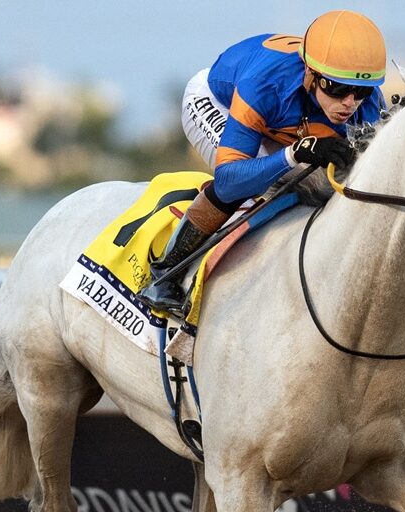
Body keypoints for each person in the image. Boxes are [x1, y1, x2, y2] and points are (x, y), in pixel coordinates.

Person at [139, 9, 388, 313]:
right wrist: (294, 153)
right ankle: (165, 274)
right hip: (218, 101)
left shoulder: (370, 105)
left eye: (361, 91)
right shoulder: (263, 84)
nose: (349, 103)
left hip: (285, 122)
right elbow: (229, 178)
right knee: (259, 182)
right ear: (310, 73)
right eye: (336, 89)